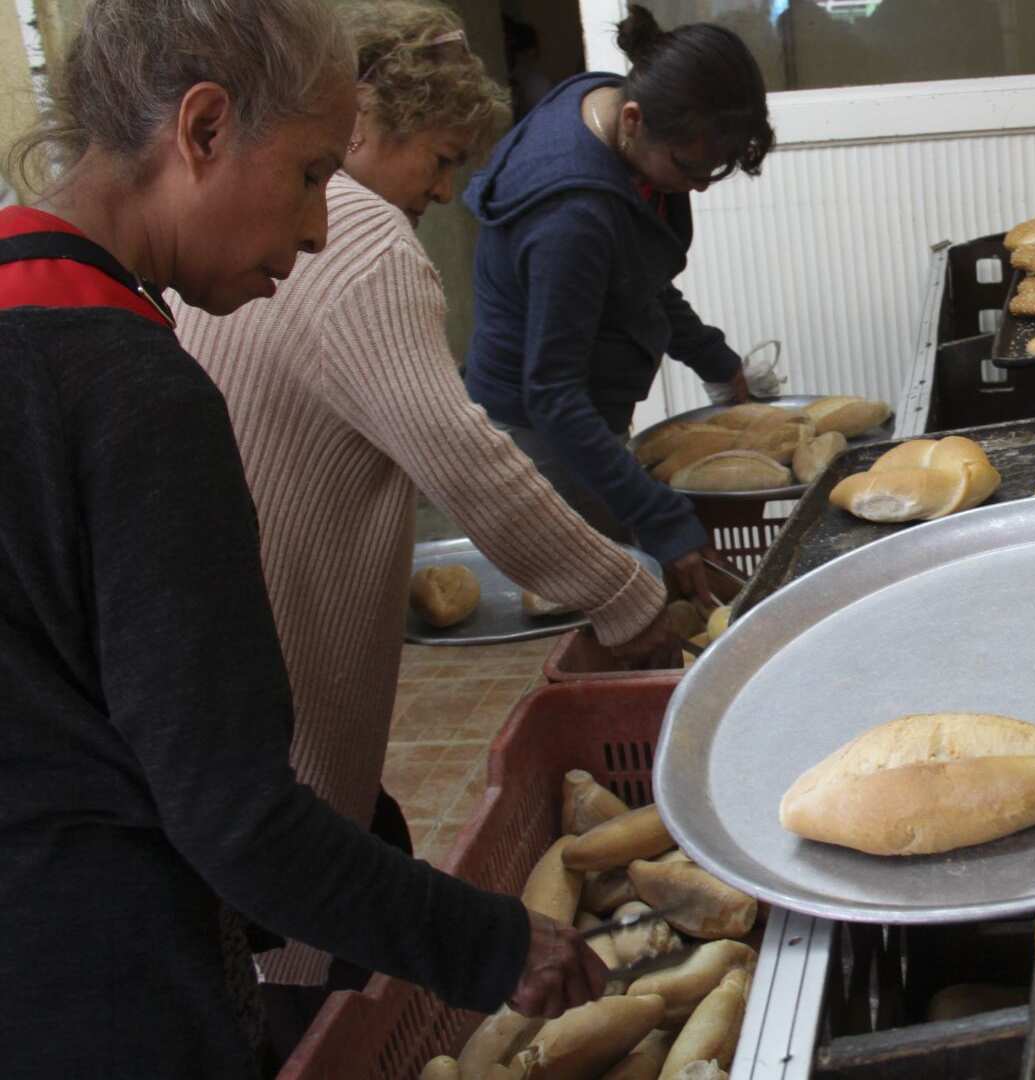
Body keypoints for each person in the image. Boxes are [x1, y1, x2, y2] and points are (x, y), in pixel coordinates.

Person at [0, 2, 604, 1074]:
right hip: (98, 982)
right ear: (203, 130)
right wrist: (494, 943)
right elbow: (234, 819)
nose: (325, 227)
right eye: (313, 173)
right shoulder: (137, 395)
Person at [170, 0, 676, 1058]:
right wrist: (631, 595)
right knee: (303, 958)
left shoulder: (300, 230)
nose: (447, 191)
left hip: (235, 660)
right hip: (277, 673)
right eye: (441, 159)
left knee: (348, 854)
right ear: (363, 128)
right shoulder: (355, 244)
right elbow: (468, 461)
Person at [463, 4, 774, 605]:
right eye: (690, 168)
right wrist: (662, 521)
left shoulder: (617, 110)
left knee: (638, 577)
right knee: (622, 599)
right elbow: (552, 393)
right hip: (538, 429)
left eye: (716, 170)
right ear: (632, 120)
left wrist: (711, 357)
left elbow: (636, 275)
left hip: (574, 405)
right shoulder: (571, 217)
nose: (702, 185)